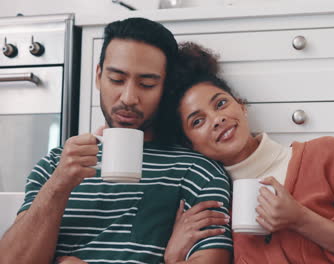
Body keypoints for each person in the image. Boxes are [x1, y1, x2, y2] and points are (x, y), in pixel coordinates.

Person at [160, 42, 334, 263]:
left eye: (221, 103)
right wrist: (173, 258)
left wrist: (301, 220)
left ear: (242, 107)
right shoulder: (214, 207)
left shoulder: (326, 155)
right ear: (189, 144)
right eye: (198, 121)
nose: (217, 119)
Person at [0, 19, 232, 264]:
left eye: (147, 84)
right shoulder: (54, 166)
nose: (129, 97)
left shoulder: (198, 172)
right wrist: (59, 184)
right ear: (99, 76)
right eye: (117, 80)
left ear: (165, 87)